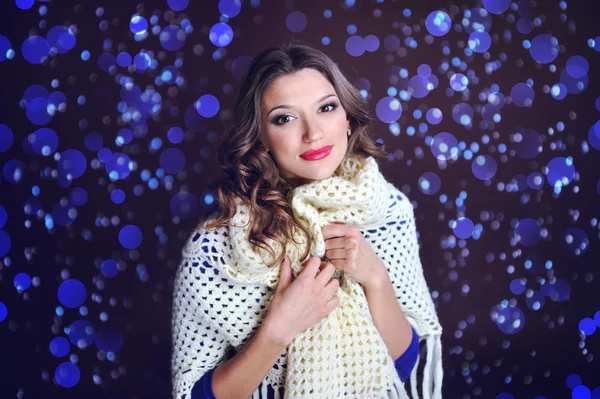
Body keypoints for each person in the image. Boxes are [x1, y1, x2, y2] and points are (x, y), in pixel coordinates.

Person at [170, 41, 443, 399]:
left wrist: (376, 279)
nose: (313, 133)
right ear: (262, 139)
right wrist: (277, 331)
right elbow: (193, 395)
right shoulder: (217, 250)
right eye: (285, 118)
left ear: (347, 119)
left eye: (326, 108)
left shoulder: (387, 211)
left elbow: (403, 366)